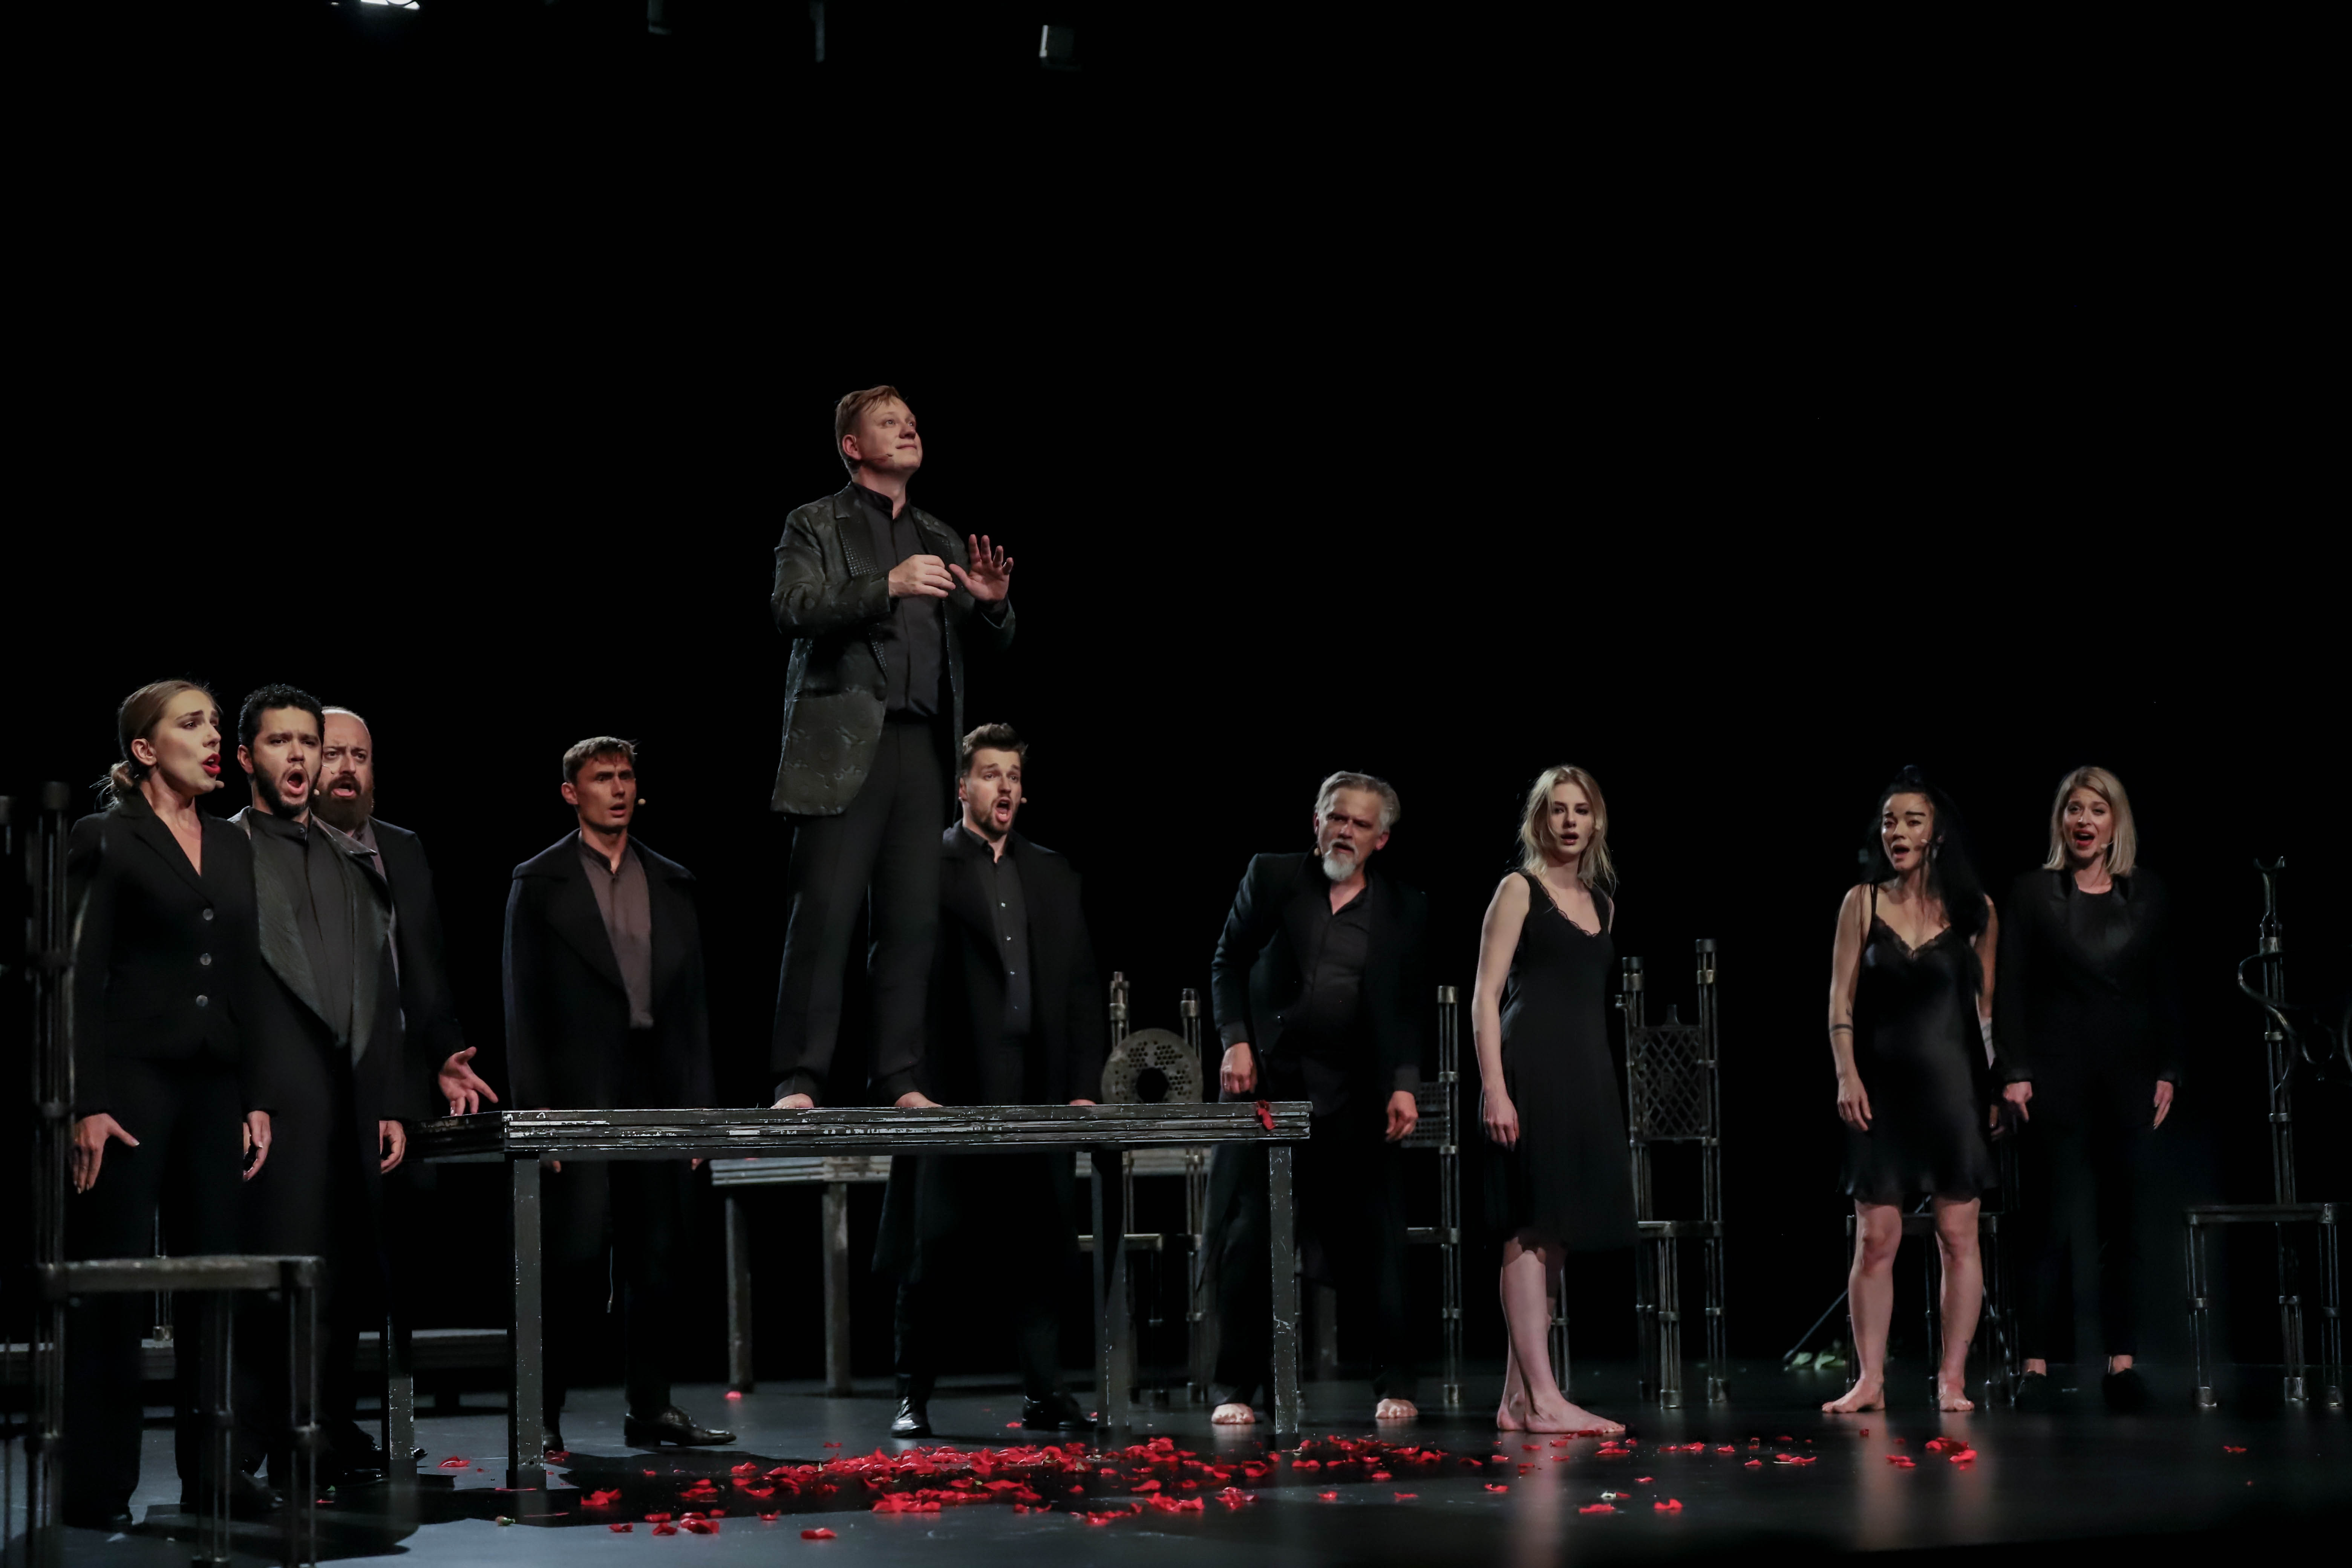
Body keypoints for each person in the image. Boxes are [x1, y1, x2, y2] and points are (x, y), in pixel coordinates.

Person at [769, 386, 1017, 1115]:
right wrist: (886, 585)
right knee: (825, 921)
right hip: (844, 752)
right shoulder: (814, 522)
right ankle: (799, 1080)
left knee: (911, 926)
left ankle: (899, 1078)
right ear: (853, 446)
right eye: (889, 422)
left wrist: (994, 604)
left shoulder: (939, 534)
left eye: (911, 421)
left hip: (923, 747)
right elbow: (791, 608)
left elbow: (987, 638)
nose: (908, 429)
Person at [62, 681, 274, 1527]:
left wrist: (256, 1095)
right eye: (193, 724)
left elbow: (246, 975)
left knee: (215, 1282)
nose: (213, 736)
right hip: (130, 1086)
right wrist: (84, 1101)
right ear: (146, 749)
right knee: (112, 1286)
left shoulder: (231, 842)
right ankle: (96, 1485)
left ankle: (215, 1473)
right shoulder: (104, 836)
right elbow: (77, 978)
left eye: (216, 723)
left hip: (215, 1085)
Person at [875, 724, 1105, 1438]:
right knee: (932, 1248)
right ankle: (913, 1394)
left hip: (1035, 1081)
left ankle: (1045, 1391)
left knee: (1041, 1247)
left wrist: (1082, 1085)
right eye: (989, 773)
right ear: (962, 787)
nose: (1003, 785)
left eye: (1013, 775)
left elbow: (1080, 986)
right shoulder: (924, 865)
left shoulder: (1052, 873)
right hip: (950, 1080)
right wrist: (902, 1078)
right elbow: (893, 976)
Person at [504, 737, 728, 1451]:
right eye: (603, 778)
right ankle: (541, 1415)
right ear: (572, 793)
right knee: (571, 1260)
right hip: (578, 1091)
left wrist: (699, 1110)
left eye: (626, 776)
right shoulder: (540, 882)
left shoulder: (671, 880)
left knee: (657, 1255)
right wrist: (538, 1113)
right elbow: (523, 1005)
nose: (619, 788)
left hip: (656, 1087)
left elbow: (694, 1007)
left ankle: (650, 1408)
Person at [229, 683, 422, 1489]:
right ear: (247, 757)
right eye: (282, 741)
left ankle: (317, 1434)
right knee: (270, 1277)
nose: (301, 756)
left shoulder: (353, 863)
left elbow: (381, 987)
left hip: (351, 1095)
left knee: (341, 1274)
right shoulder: (224, 851)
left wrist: (391, 1101)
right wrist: (242, 1094)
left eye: (309, 740)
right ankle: (250, 1443)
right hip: (272, 1100)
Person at [1206, 772, 1427, 1426]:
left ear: (1381, 839)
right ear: (1316, 821)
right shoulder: (1273, 877)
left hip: (1354, 1092)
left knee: (1378, 1238)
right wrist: (1236, 1041)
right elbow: (1228, 961)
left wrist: (1404, 1082)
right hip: (1269, 1086)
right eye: (1337, 818)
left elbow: (1408, 1005)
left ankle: (1394, 1381)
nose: (1345, 832)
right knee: (1248, 1236)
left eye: (1360, 824)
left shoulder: (1403, 907)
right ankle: (1233, 1388)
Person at [1997, 766, 2184, 1413]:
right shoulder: (2032, 893)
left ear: (2115, 823)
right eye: (2074, 809)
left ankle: (2121, 1365)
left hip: (2127, 1077)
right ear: (2061, 821)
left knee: (2122, 1226)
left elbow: (2166, 987)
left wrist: (2169, 1070)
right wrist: (2013, 1071)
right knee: (2047, 1224)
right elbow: (2011, 986)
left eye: (2097, 811)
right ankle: (2035, 1366)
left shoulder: (2148, 894)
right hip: (2054, 1077)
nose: (2084, 821)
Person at [1824, 767, 2001, 1414]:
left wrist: (1995, 1090)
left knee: (1959, 1235)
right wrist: (1846, 1072)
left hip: (1954, 1092)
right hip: (1881, 1092)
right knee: (1876, 1238)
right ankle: (1870, 1379)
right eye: (1889, 821)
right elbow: (1840, 999)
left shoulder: (1976, 912)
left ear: (1937, 834)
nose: (1896, 831)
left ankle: (1952, 1380)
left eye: (1911, 820)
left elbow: (1986, 1014)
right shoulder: (1862, 903)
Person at [1472, 765, 1633, 1435]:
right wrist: (1495, 1087)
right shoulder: (1519, 889)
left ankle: (1517, 1401)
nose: (1570, 821)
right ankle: (1544, 1399)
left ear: (1596, 822)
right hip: (1529, 1069)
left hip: (1584, 1073)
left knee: (1557, 1232)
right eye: (1558, 809)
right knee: (1529, 1228)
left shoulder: (1604, 903)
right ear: (1540, 819)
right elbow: (1485, 996)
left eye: (1581, 810)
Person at [313, 707, 498, 1115]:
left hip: (403, 1077)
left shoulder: (402, 847)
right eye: (332, 755)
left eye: (360, 756)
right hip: (321, 1081)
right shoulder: (287, 849)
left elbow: (427, 967)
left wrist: (445, 1053)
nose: (348, 768)